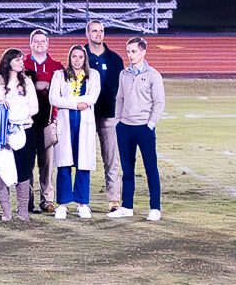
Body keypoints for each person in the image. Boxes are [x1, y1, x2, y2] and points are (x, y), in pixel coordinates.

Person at [111, 37, 165, 220]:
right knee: (127, 168)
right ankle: (127, 206)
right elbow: (120, 99)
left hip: (144, 128)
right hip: (125, 128)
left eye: (133, 51)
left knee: (151, 168)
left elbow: (159, 102)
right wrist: (118, 121)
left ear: (143, 52)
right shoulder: (124, 74)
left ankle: (155, 208)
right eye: (128, 52)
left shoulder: (153, 75)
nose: (130, 55)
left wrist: (150, 125)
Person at [49, 45, 102, 221]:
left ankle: (82, 203)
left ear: (85, 59)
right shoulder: (59, 75)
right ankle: (62, 205)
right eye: (74, 57)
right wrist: (76, 104)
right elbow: (53, 98)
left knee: (83, 164)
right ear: (69, 58)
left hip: (84, 124)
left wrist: (76, 101)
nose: (77, 60)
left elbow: (93, 97)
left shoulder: (93, 75)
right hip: (66, 123)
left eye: (80, 57)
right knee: (64, 164)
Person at [0, 49, 39, 222]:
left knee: (24, 169)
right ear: (8, 62)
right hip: (1, 133)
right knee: (2, 169)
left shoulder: (27, 83)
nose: (21, 62)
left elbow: (34, 107)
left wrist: (15, 114)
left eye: (21, 59)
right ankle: (6, 211)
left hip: (24, 130)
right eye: (17, 60)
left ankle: (23, 210)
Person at [83, 21, 126, 213]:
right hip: (85, 116)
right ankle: (83, 200)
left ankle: (114, 200)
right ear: (87, 33)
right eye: (94, 31)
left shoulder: (115, 59)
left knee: (111, 159)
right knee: (84, 159)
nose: (98, 34)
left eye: (101, 31)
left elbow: (122, 89)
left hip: (109, 115)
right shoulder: (78, 56)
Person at [22, 29, 63, 213]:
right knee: (27, 163)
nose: (39, 44)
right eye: (35, 41)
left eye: (42, 41)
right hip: (27, 123)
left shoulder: (57, 66)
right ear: (30, 44)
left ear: (48, 44)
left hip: (47, 121)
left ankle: (47, 199)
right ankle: (27, 200)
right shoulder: (22, 64)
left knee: (47, 163)